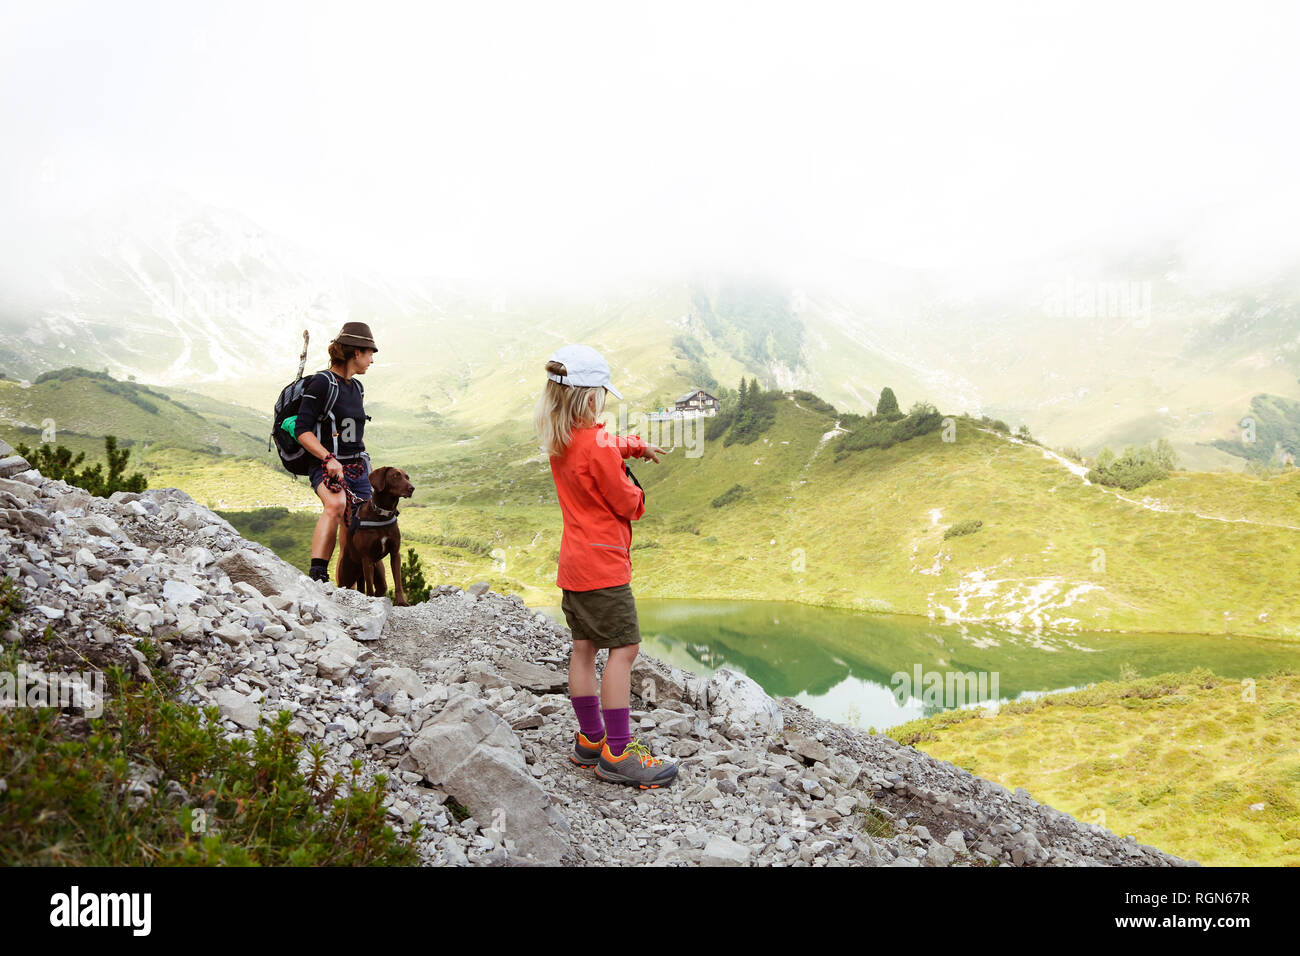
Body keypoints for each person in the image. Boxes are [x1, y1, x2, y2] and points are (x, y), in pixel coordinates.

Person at [534, 343, 679, 789]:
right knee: (624, 650)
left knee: (583, 648)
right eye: (599, 392)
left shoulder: (560, 436)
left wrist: (634, 445)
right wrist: (639, 495)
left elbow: (602, 444)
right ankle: (618, 751)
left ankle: (590, 740)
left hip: (574, 566)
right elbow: (626, 502)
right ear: (588, 396)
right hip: (604, 567)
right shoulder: (595, 443)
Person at [295, 322, 377, 582]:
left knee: (356, 526)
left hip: (357, 466)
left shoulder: (357, 388)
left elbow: (353, 432)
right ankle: (317, 575)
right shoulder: (322, 383)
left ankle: (346, 588)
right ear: (356, 353)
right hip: (325, 463)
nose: (371, 361)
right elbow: (302, 430)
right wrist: (328, 458)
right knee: (336, 504)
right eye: (369, 354)